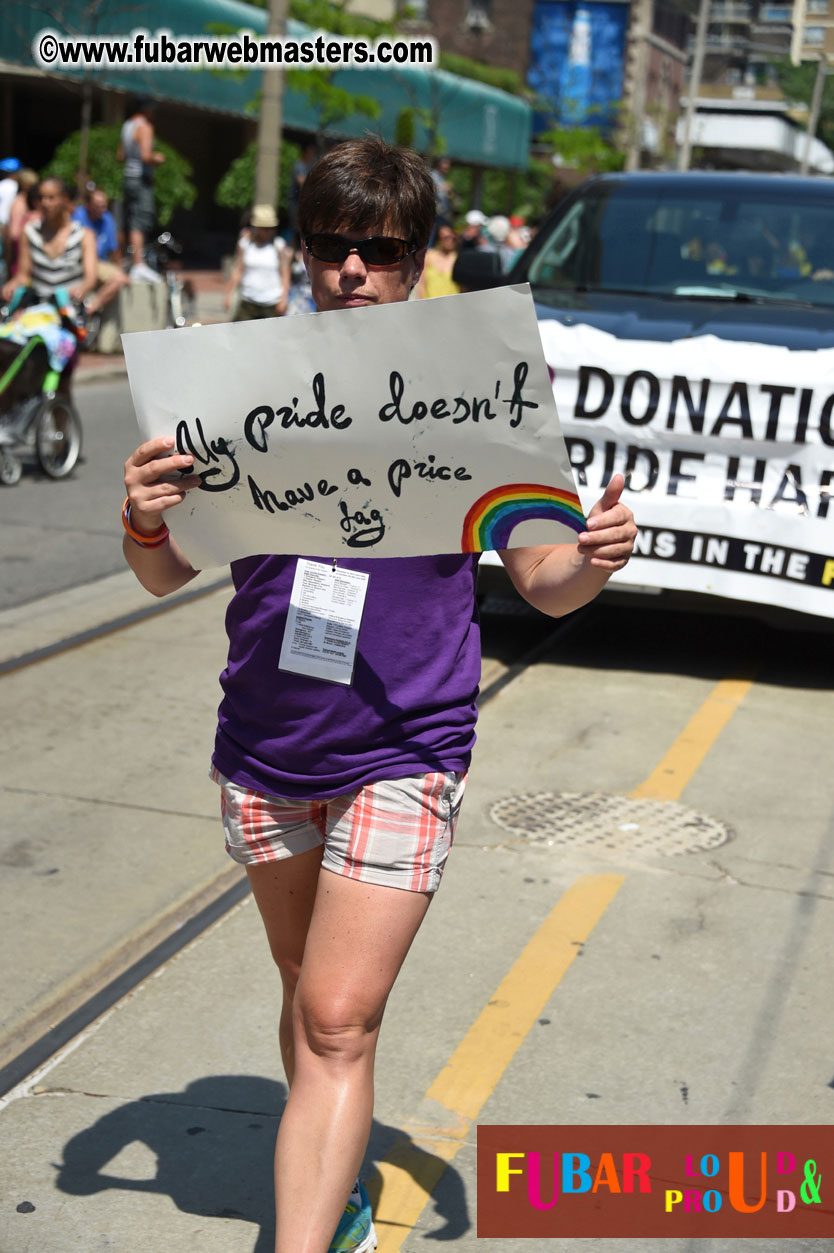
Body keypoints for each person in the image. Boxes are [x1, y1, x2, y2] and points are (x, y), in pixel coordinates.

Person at [122, 136, 636, 1253]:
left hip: (406, 740)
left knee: (338, 1015)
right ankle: (339, 1178)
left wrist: (592, 559)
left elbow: (542, 577)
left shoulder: (473, 386)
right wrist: (146, 519)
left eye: (384, 250)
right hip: (267, 741)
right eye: (331, 245)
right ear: (304, 253)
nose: (355, 269)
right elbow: (163, 571)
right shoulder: (234, 382)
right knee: (308, 992)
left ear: (421, 259)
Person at [1, 177, 96, 306]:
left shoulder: (84, 235)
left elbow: (90, 278)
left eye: (51, 198)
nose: (45, 203)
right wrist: (12, 285)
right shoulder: (30, 231)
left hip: (70, 305)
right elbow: (23, 275)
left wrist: (80, 290)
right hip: (39, 305)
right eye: (41, 198)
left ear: (64, 199)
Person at [117, 97, 165, 281]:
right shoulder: (144, 127)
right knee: (139, 220)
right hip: (141, 178)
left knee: (128, 219)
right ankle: (138, 264)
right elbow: (145, 156)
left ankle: (126, 259)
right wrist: (157, 158)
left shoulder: (127, 126)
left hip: (128, 176)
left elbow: (120, 155)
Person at [224, 203, 291, 321]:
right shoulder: (245, 245)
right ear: (256, 227)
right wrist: (228, 294)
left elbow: (285, 274)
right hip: (248, 301)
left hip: (271, 303)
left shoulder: (279, 245)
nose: (268, 231)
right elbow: (238, 271)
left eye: (271, 228)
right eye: (264, 228)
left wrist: (283, 299)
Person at [72, 186, 131, 316]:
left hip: (99, 263)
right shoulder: (77, 217)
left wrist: (118, 268)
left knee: (123, 278)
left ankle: (89, 308)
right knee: (116, 278)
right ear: (88, 205)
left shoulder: (107, 218)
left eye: (104, 206)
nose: (103, 209)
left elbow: (114, 248)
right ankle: (84, 311)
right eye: (98, 206)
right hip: (80, 262)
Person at [416, 220, 460, 299]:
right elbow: (422, 284)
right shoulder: (429, 256)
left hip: (452, 304)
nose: (450, 240)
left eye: (452, 237)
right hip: (430, 304)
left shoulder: (458, 258)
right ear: (439, 240)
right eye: (446, 238)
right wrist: (420, 302)